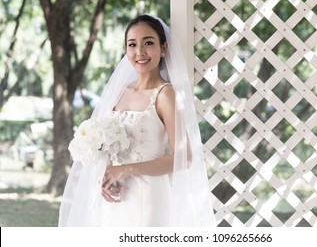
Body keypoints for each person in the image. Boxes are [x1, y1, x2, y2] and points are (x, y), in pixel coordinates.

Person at [58, 14, 216, 226]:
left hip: (148, 199)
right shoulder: (119, 92)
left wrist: (126, 169)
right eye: (132, 44)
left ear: (163, 48)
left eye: (148, 43)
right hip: (115, 198)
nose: (140, 52)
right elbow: (109, 148)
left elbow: (184, 157)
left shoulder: (165, 94)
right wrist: (109, 178)